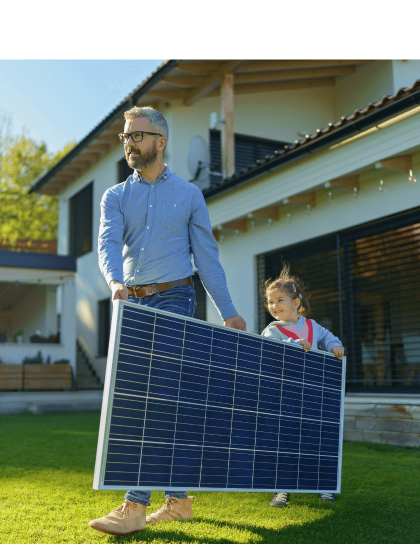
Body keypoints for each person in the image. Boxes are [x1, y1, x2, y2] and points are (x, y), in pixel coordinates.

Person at [89, 106, 247, 536]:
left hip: (177, 297)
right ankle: (177, 501)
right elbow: (106, 242)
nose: (128, 143)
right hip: (134, 303)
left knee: (158, 398)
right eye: (124, 136)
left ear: (160, 140)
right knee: (157, 400)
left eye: (136, 135)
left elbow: (206, 258)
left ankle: (135, 506)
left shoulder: (190, 195)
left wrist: (227, 310)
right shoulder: (116, 196)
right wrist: (115, 281)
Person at [261, 263, 344, 508]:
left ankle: (324, 486)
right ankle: (282, 489)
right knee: (285, 441)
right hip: (286, 396)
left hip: (314, 395)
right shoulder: (272, 331)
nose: (274, 306)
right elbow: (273, 351)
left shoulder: (311, 325)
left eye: (279, 300)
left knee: (318, 439)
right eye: (270, 302)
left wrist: (334, 345)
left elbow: (327, 336)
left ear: (295, 303)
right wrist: (292, 342)